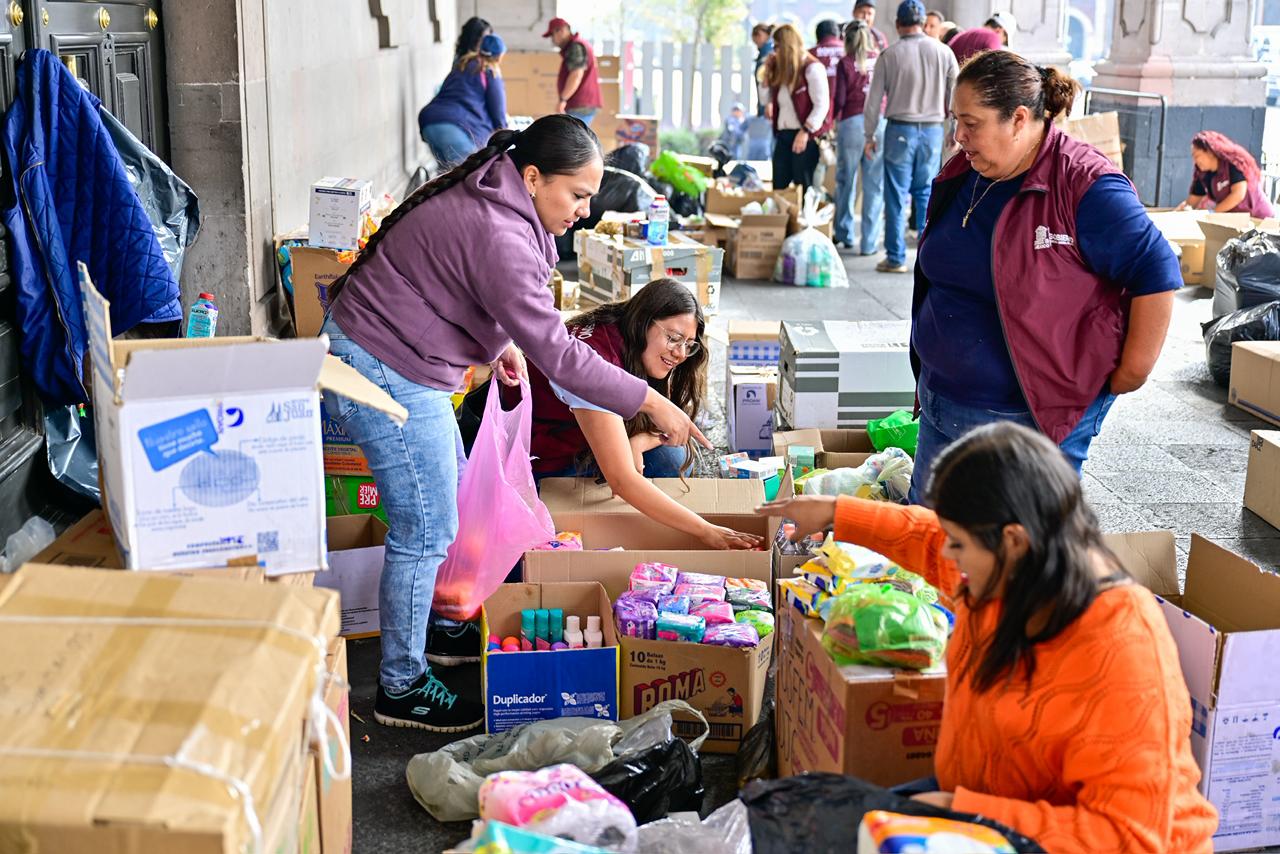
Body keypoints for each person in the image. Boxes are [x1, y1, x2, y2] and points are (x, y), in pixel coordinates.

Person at [321, 116, 708, 732]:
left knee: (445, 503)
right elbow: (558, 354)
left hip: (404, 356)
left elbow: (460, 284)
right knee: (428, 525)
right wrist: (651, 401)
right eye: (577, 195)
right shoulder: (502, 230)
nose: (584, 212)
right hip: (382, 361)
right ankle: (399, 684)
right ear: (532, 178)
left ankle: (442, 629)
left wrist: (497, 341)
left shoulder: (501, 196)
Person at [759, 422, 1218, 853]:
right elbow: (926, 536)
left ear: (1013, 541)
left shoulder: (1122, 647)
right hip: (985, 802)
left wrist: (970, 812)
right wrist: (837, 511)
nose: (948, 554)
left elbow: (1130, 838)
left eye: (958, 543)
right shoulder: (1018, 570)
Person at [909, 50, 1179, 501]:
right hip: (943, 400)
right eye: (955, 120)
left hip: (1028, 418)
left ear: (1017, 118)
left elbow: (1156, 268)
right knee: (930, 544)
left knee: (1017, 555)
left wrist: (1130, 372)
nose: (958, 137)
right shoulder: (967, 171)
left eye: (971, 123)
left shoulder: (1085, 184)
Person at [529, 280, 763, 550]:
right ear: (644, 321)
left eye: (689, 344)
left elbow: (670, 418)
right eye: (673, 339)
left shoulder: (620, 331)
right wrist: (706, 530)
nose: (680, 353)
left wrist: (637, 443)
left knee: (669, 455)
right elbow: (623, 480)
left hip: (572, 436)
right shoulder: (595, 366)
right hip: (535, 457)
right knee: (663, 465)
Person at [863, 0, 958, 273]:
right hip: (931, 130)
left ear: (897, 24)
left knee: (895, 194)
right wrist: (954, 129)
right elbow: (956, 94)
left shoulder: (889, 55)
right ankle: (928, 257)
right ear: (922, 22)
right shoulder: (944, 52)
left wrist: (869, 134)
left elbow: (873, 101)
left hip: (899, 130)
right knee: (926, 193)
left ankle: (895, 257)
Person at [833, 20, 886, 253]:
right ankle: (869, 242)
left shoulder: (845, 63)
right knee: (874, 183)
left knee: (846, 179)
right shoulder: (881, 59)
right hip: (879, 122)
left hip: (852, 122)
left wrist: (834, 120)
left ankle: (844, 233)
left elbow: (841, 98)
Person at [759, 23, 832, 192]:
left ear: (786, 45)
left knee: (804, 187)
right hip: (783, 134)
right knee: (779, 185)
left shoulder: (812, 68)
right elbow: (764, 100)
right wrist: (767, 74)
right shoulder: (780, 68)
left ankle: (802, 219)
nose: (774, 51)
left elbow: (822, 105)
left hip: (804, 135)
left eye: (776, 46)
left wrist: (805, 131)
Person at [418, 34, 508, 166]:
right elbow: (498, 112)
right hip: (457, 128)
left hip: (429, 122)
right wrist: (505, 135)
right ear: (499, 56)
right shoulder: (490, 72)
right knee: (467, 178)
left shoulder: (461, 65)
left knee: (444, 178)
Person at [1177, 130, 1275, 218]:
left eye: (1197, 155)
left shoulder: (1232, 164)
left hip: (1260, 217)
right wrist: (1175, 214)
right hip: (1238, 220)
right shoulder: (1202, 174)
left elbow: (1238, 194)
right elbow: (1191, 203)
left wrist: (1212, 213)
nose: (1195, 160)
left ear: (1210, 152)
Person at [544, 17, 603, 127]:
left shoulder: (575, 47)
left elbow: (576, 74)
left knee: (574, 141)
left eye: (552, 35)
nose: (552, 40)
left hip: (580, 104)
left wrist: (563, 99)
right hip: (581, 104)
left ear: (561, 31)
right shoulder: (577, 45)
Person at [949, 12, 1017, 65]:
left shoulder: (965, 34)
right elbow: (995, 66)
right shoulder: (992, 37)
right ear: (999, 30)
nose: (1001, 44)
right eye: (1004, 41)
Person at [751, 22, 776, 119]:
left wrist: (767, 103)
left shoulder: (767, 51)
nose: (756, 44)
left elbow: (764, 78)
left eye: (756, 40)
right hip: (766, 99)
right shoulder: (766, 50)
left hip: (767, 100)